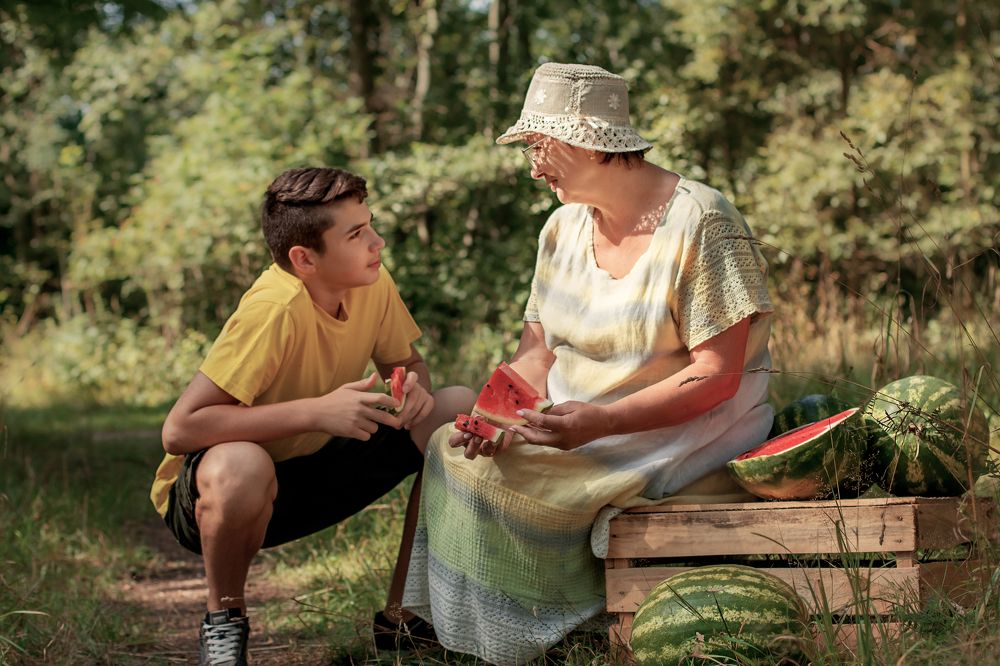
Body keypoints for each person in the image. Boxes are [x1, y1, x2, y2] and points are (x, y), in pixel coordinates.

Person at [400, 63, 775, 664]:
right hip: (575, 425)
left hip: (676, 436)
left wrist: (600, 424)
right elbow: (537, 353)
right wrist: (495, 415)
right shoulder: (560, 229)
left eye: (539, 146)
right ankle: (479, 636)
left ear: (587, 142)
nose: (533, 165)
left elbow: (718, 376)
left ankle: (546, 634)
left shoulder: (704, 222)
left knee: (505, 483)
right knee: (451, 448)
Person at [150, 167, 471, 666]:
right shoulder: (273, 310)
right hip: (221, 497)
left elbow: (407, 365)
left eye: (370, 224)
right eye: (357, 233)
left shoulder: (372, 281)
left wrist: (414, 391)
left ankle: (405, 617)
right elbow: (181, 429)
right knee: (240, 464)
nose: (377, 241)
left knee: (454, 407)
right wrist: (316, 412)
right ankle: (224, 619)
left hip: (315, 470)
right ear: (305, 259)